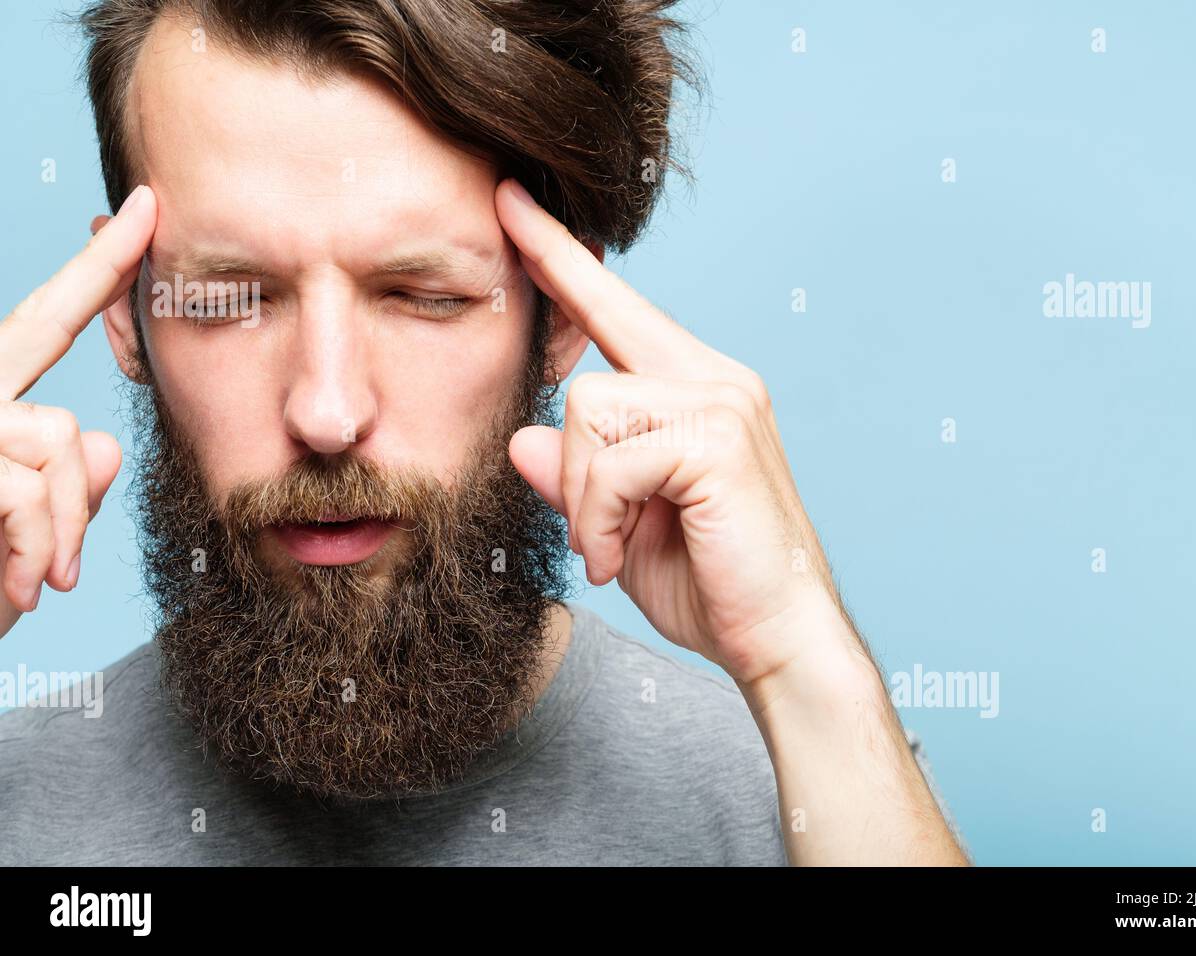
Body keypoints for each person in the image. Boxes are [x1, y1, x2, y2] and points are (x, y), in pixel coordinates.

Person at [0, 0, 969, 866]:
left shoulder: (803, 794)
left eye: (426, 296)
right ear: (126, 308)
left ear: (562, 313)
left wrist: (802, 659)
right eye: (227, 297)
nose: (327, 412)